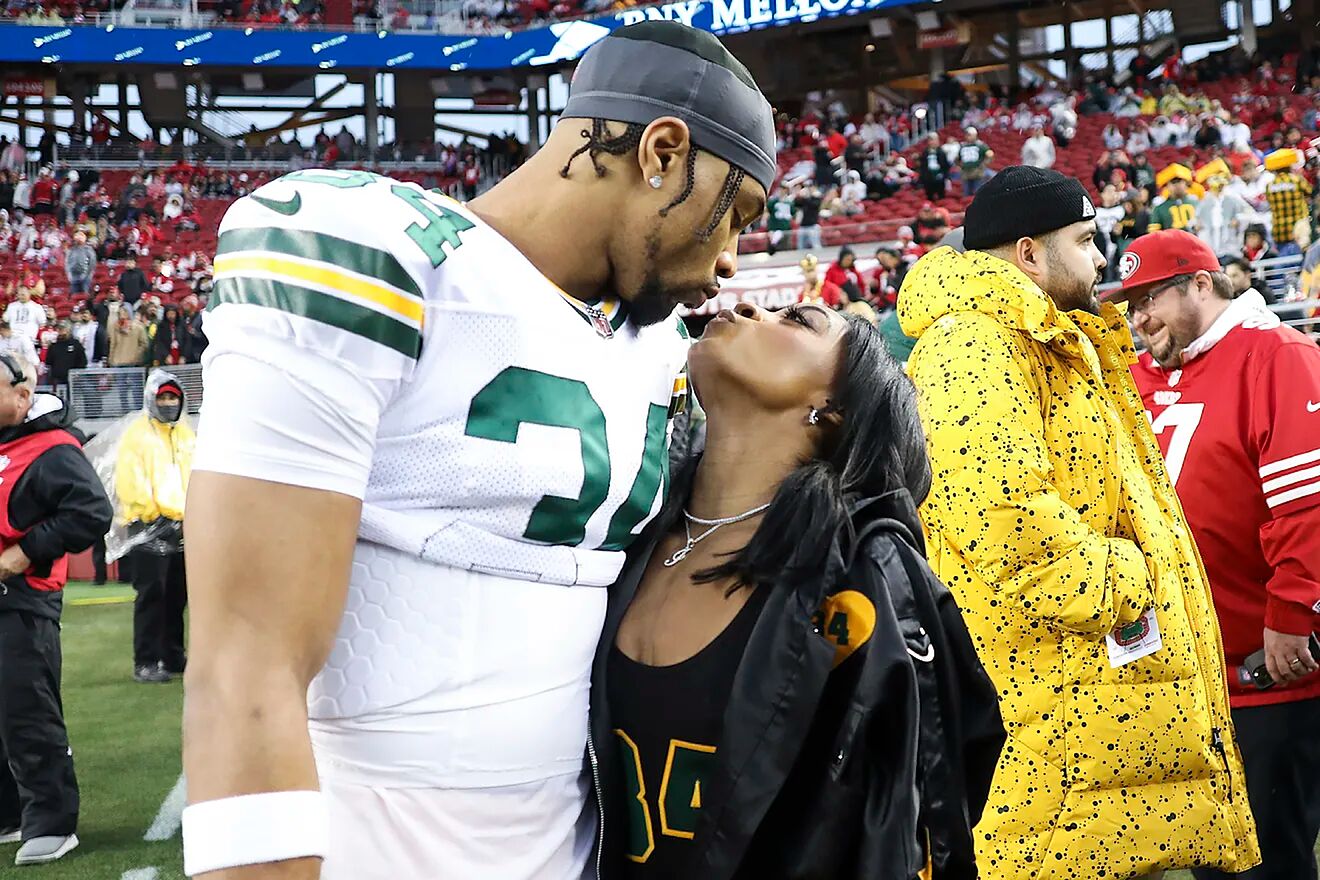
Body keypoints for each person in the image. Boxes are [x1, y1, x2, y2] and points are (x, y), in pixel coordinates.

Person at [181, 21, 774, 880]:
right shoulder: (382, 254)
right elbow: (245, 660)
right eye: (738, 214)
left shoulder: (659, 352)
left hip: (571, 848)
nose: (730, 258)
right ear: (662, 150)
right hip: (369, 847)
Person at [898, 166, 1261, 879]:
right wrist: (1129, 581)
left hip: (1089, 700)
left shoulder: (1045, 337)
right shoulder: (973, 344)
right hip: (1054, 707)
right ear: (1028, 253)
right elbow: (1002, 514)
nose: (1102, 259)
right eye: (1086, 240)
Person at [590, 302, 1003, 879]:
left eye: (798, 320)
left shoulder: (866, 581)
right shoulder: (621, 529)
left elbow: (910, 828)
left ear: (831, 407)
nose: (747, 305)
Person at [1116, 229, 1320, 880]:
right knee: (1211, 858)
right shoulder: (1140, 376)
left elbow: (1306, 506)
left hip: (1265, 674)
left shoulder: (1276, 356)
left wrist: (1291, 615)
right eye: (1130, 304)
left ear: (1201, 285)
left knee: (1266, 860)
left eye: (1150, 298)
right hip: (1184, 675)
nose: (1139, 317)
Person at [0, 355, 113, 865]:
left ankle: (51, 822)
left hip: (22, 600)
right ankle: (9, 814)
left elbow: (91, 511)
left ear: (22, 397)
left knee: (28, 712)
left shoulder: (51, 448)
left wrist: (24, 552)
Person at [115, 372, 193, 684]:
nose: (168, 403)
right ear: (151, 399)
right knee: (152, 594)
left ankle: (173, 655)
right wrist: (152, 515)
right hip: (148, 525)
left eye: (173, 397)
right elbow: (130, 480)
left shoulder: (186, 435)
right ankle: (145, 660)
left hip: (183, 525)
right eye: (163, 397)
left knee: (178, 594)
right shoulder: (138, 435)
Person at [1263, 148, 1312, 244]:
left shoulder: (1269, 186)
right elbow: (1310, 192)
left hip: (1279, 232)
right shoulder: (1297, 180)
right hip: (1298, 231)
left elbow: (1269, 202)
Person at [1149, 169, 1200, 233]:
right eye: (1173, 182)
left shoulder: (1197, 203)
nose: (1177, 185)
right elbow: (1154, 234)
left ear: (1186, 183)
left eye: (1179, 181)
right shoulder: (1159, 209)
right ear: (1167, 186)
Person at [43, 321, 86, 398]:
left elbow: (82, 360)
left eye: (62, 329)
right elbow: (49, 362)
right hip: (57, 379)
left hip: (72, 379)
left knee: (71, 399)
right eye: (58, 329)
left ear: (68, 330)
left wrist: (77, 373)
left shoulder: (75, 344)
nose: (59, 331)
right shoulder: (53, 346)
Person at [956, 127, 993, 197]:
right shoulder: (962, 146)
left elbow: (990, 154)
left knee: (977, 193)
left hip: (977, 173)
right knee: (966, 194)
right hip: (966, 174)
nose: (967, 136)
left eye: (969, 135)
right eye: (966, 135)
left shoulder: (981, 145)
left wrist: (984, 164)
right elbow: (958, 158)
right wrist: (959, 165)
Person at [917, 132, 950, 201]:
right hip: (928, 179)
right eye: (931, 140)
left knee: (941, 197)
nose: (932, 142)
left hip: (940, 178)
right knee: (929, 197)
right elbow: (923, 166)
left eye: (934, 140)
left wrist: (945, 176)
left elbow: (945, 166)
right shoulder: (925, 153)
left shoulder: (941, 152)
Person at [63, 231, 96, 298]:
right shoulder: (71, 250)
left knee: (85, 295)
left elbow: (92, 263)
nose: (78, 241)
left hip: (85, 276)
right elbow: (67, 263)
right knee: (74, 296)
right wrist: (69, 275)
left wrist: (88, 275)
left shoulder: (88, 250)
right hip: (74, 276)